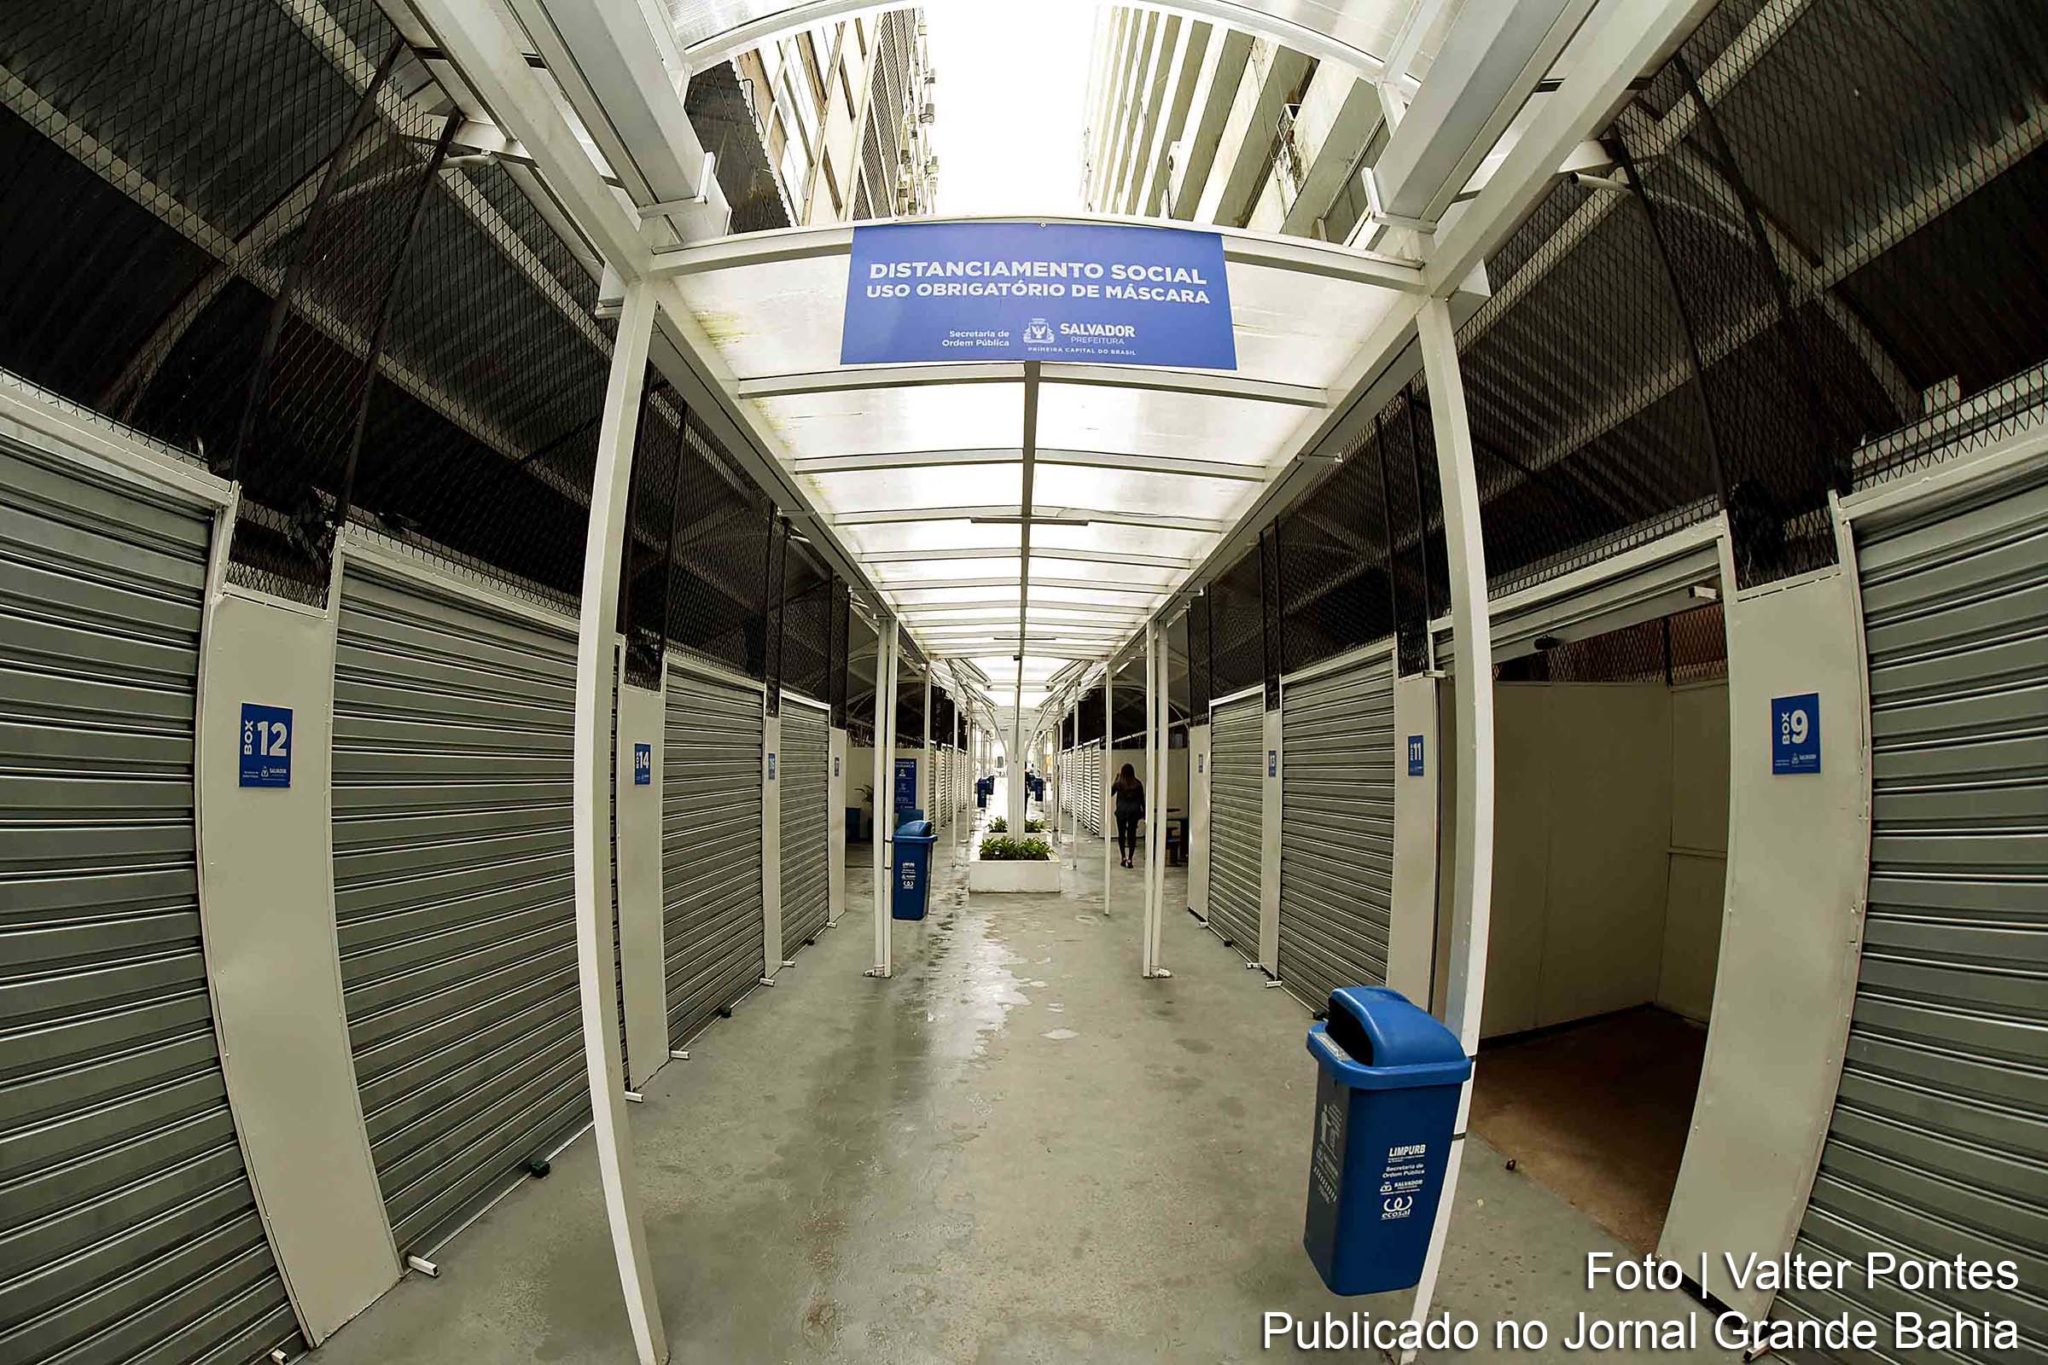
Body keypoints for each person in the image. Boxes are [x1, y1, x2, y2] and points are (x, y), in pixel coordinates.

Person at [1111, 762, 1145, 868]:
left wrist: (1116, 779)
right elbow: (1142, 800)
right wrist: (1144, 812)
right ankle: (1130, 859)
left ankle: (1123, 857)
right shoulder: (1138, 784)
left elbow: (1110, 793)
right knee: (1132, 836)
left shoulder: (1119, 784)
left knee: (1121, 835)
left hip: (1121, 812)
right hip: (1134, 813)